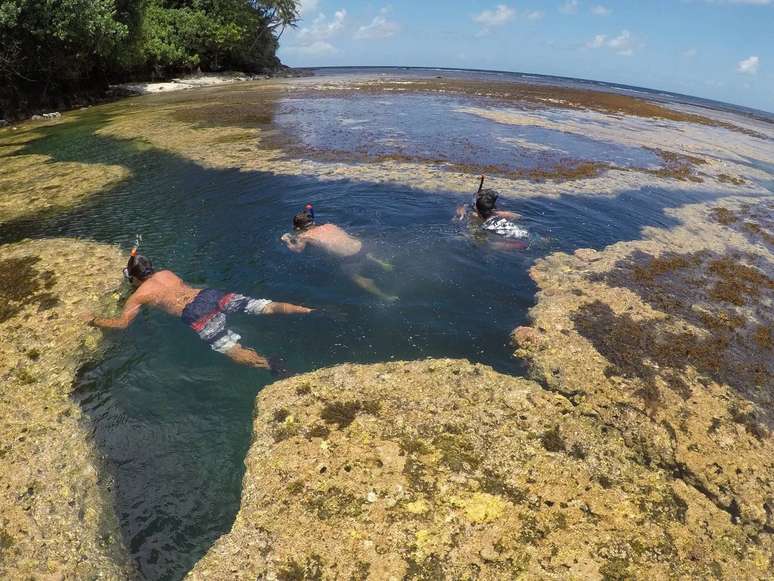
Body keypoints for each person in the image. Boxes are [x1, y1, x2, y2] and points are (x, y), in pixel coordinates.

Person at [84, 249, 312, 371]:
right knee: (262, 305)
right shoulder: (167, 273)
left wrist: (93, 320)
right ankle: (309, 311)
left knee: (230, 348)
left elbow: (123, 324)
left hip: (196, 313)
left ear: (133, 278)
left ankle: (271, 365)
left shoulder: (139, 295)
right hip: (209, 294)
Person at [281, 204, 397, 301]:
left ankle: (385, 296)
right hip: (360, 246)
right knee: (360, 252)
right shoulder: (329, 225)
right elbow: (346, 236)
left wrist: (287, 240)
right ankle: (382, 263)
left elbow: (297, 250)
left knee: (355, 277)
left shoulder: (304, 236)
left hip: (349, 258)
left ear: (298, 227)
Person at [454, 176, 528, 245]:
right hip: (522, 233)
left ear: (477, 209)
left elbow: (477, 238)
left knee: (491, 245)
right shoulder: (497, 214)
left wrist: (462, 215)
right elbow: (519, 216)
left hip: (516, 241)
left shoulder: (478, 220)